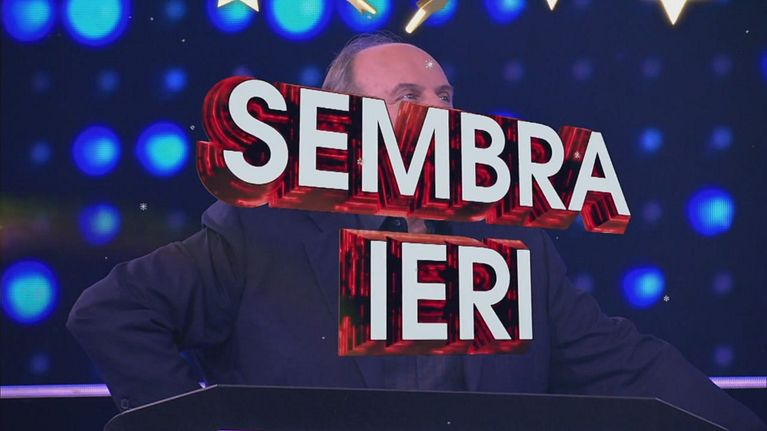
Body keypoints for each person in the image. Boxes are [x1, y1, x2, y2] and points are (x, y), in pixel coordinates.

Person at [67, 34, 766, 430]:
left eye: (445, 98)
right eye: (408, 98)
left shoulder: (512, 245)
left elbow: (625, 364)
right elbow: (112, 313)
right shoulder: (260, 234)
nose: (439, 114)